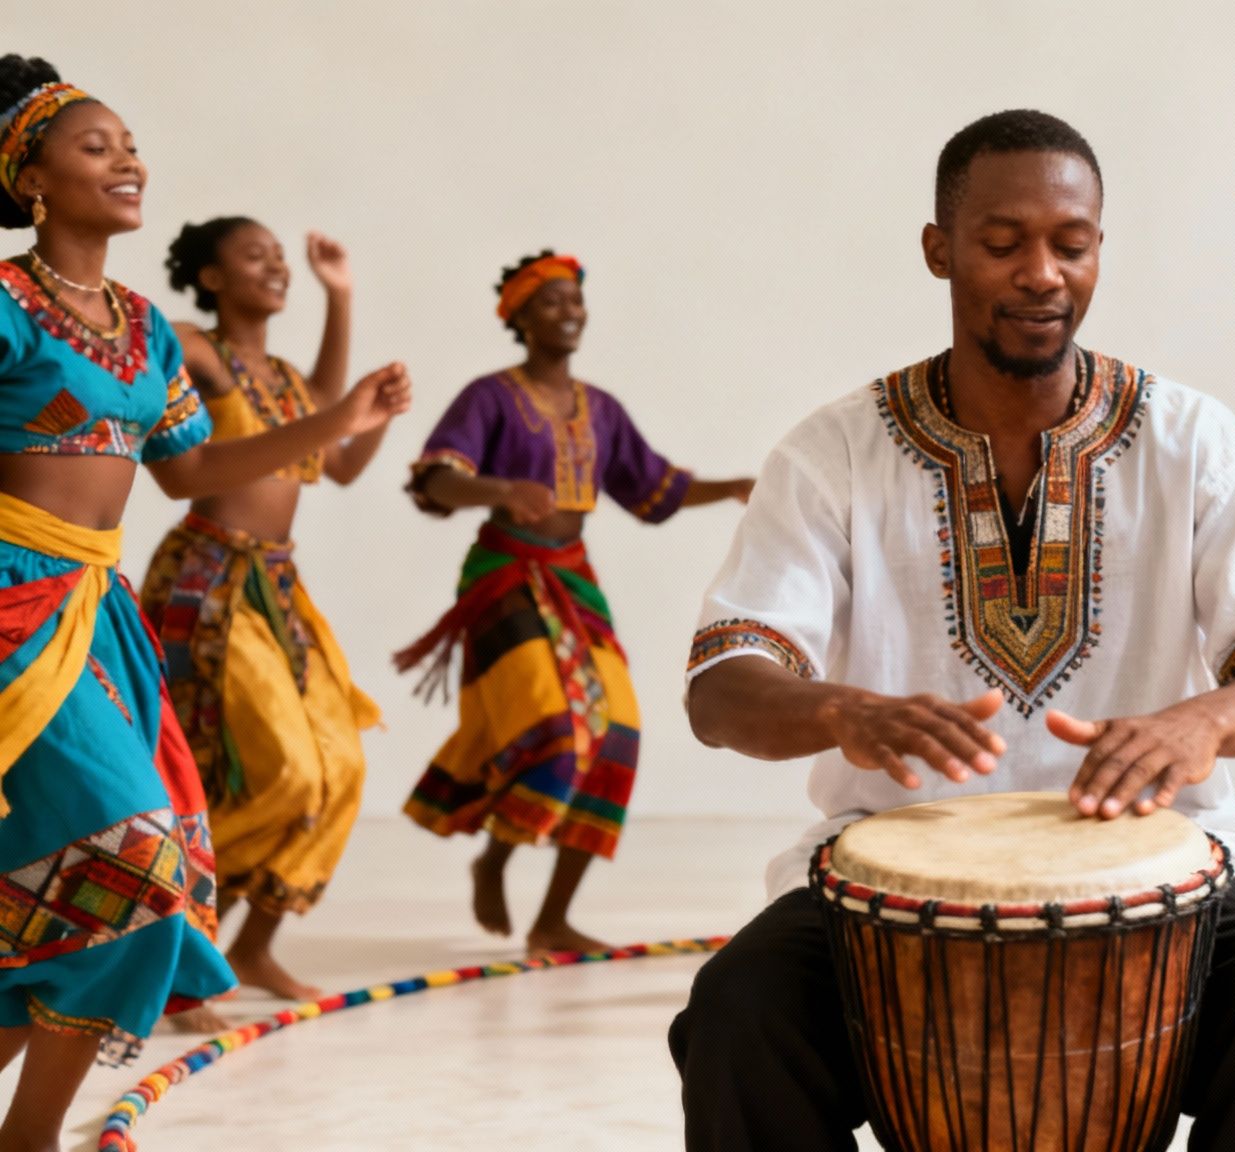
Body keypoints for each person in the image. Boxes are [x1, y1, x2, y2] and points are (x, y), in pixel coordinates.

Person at [670, 109, 1235, 1152]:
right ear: (937, 249)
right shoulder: (834, 453)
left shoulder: (1192, 441)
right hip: (882, 876)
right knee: (736, 1017)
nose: (1041, 272)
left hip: (1172, 864)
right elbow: (722, 686)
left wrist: (1202, 723)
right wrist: (838, 709)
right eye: (1001, 243)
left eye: (1070, 243)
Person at [0, 54, 407, 1151]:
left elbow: (187, 472)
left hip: (95, 612)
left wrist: (339, 421)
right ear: (30, 178)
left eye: (131, 144)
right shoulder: (0, 304)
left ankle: (25, 1136)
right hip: (9, 609)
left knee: (133, 879)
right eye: (95, 147)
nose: (127, 160)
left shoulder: (142, 328)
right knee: (121, 856)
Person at [397, 251, 753, 955]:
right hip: (503, 573)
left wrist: (736, 485)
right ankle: (495, 858)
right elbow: (435, 481)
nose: (570, 312)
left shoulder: (601, 410)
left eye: (576, 301)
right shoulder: (489, 397)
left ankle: (553, 918)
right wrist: (500, 491)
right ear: (520, 317)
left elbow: (655, 491)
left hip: (574, 578)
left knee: (617, 730)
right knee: (552, 721)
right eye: (552, 302)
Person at [138, 218, 384, 1001]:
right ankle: (171, 931)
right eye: (256, 257)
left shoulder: (282, 376)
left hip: (277, 587)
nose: (277, 267)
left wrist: (338, 296)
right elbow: (161, 343)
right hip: (207, 582)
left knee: (338, 766)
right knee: (276, 767)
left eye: (280, 259)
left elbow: (337, 459)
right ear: (211, 278)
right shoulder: (197, 348)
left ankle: (251, 945)